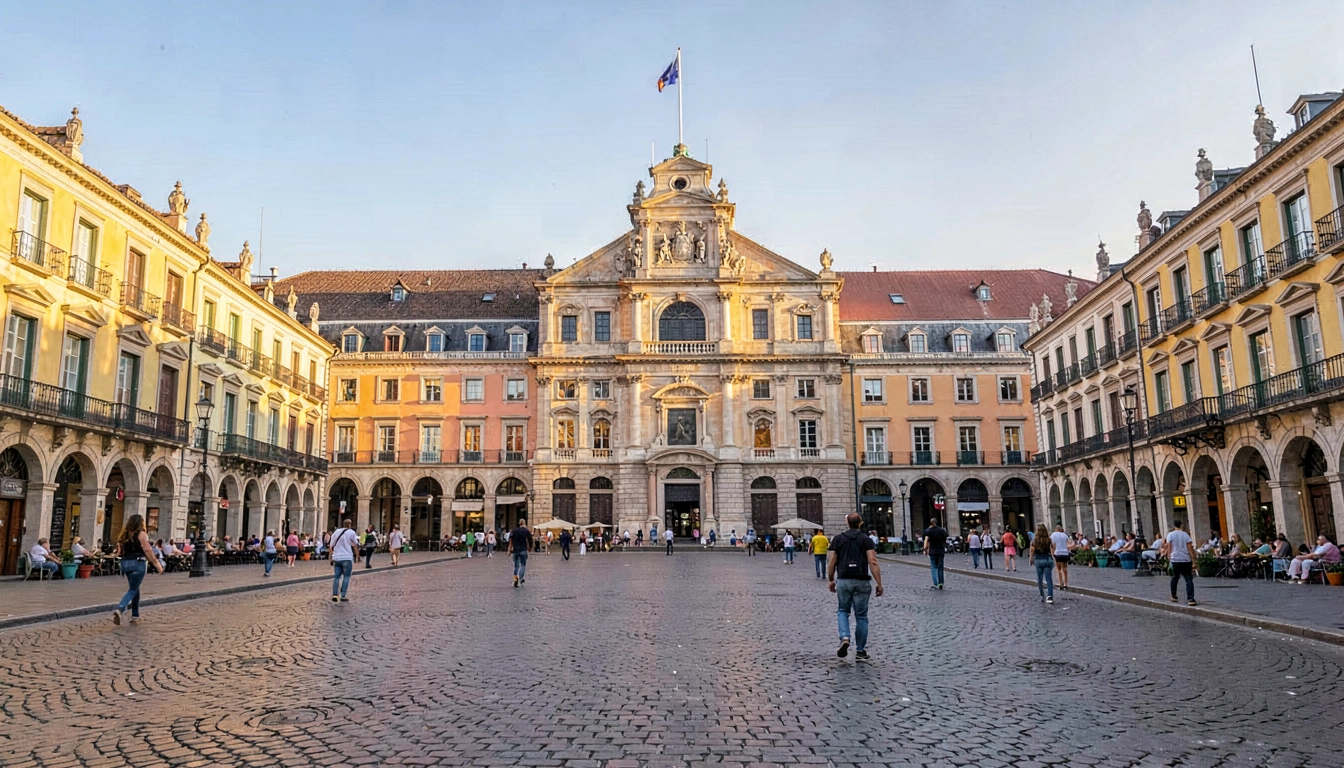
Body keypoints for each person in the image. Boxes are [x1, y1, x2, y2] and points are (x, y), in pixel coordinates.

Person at [828, 512, 883, 662]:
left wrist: (831, 579)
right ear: (860, 523)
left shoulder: (838, 539)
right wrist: (879, 583)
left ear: (847, 523)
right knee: (861, 616)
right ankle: (860, 651)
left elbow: (832, 561)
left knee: (842, 611)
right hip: (862, 580)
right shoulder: (865, 539)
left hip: (844, 580)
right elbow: (873, 561)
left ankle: (845, 637)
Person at [112, 514, 164, 624]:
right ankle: (120, 608)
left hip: (125, 564)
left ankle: (135, 615)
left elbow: (119, 552)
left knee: (135, 587)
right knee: (132, 590)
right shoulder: (141, 534)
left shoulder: (124, 535)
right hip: (138, 563)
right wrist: (157, 565)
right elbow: (147, 550)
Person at [1165, 519, 1197, 605]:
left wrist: (1169, 556)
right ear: (1181, 525)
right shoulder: (1185, 534)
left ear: (1174, 525)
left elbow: (1169, 546)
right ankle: (1191, 599)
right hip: (1186, 559)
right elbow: (1190, 546)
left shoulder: (1170, 535)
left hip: (1175, 559)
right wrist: (1193, 557)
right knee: (1188, 579)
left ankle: (1173, 595)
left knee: (1175, 577)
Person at [329, 518, 358, 603]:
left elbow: (331, 546)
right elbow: (355, 545)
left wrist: (330, 557)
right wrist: (357, 556)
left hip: (337, 557)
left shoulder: (336, 532)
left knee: (337, 577)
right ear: (350, 524)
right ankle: (342, 595)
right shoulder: (351, 532)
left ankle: (334, 594)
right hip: (347, 557)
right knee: (347, 576)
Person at [1030, 524, 1055, 604]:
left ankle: (1042, 595)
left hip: (1038, 559)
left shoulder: (1034, 541)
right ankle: (1050, 596)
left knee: (1039, 579)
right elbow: (1052, 551)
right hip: (1047, 559)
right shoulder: (1049, 540)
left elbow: (1032, 550)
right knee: (1049, 579)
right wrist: (1052, 558)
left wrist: (1031, 559)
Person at [923, 517, 948, 589]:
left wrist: (925, 549)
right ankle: (941, 583)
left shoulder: (928, 531)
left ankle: (936, 583)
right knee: (940, 568)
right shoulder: (941, 530)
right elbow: (945, 539)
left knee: (934, 567)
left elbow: (926, 541)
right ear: (936, 522)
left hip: (932, 551)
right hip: (940, 551)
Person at [510, 518, 534, 587]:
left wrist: (509, 549)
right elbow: (530, 540)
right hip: (523, 550)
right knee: (523, 565)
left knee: (516, 566)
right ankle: (519, 580)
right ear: (524, 523)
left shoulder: (514, 531)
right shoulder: (526, 531)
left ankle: (515, 579)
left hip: (516, 550)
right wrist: (530, 547)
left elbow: (511, 539)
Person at [1049, 525, 1072, 591]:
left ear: (1056, 529)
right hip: (1065, 553)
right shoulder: (1065, 535)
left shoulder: (1054, 534)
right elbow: (1069, 543)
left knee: (1058, 568)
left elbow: (1052, 544)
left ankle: (1060, 583)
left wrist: (1052, 553)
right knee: (1064, 568)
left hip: (1058, 553)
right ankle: (1065, 583)